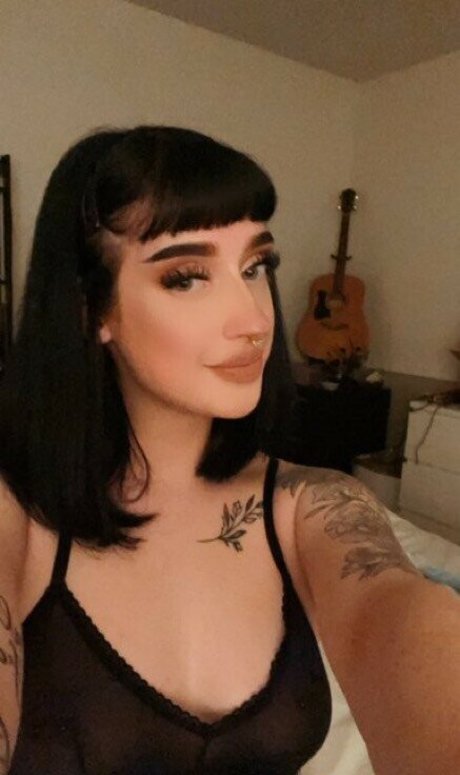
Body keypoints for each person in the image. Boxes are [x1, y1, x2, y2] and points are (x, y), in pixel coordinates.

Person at [0, 126, 459, 775]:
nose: (254, 318)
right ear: (91, 309)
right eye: (188, 277)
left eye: (255, 267)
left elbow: (406, 619)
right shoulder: (18, 514)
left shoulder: (315, 504)